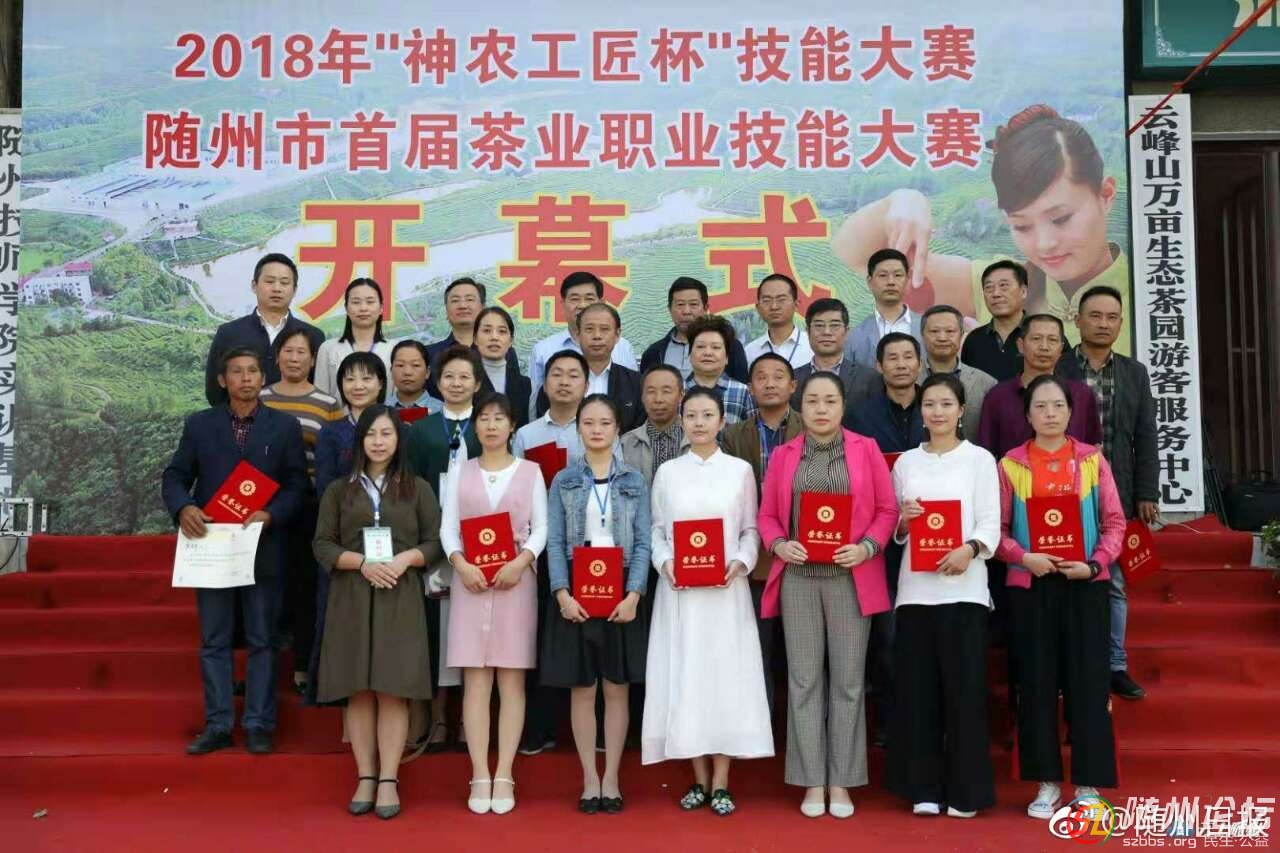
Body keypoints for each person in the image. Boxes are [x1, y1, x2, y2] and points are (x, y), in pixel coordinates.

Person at [832, 106, 1131, 354]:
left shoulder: (1143, 296)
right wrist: (903, 201)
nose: (1045, 244)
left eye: (1061, 218)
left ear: (1105, 195)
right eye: (1022, 225)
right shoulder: (999, 287)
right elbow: (856, 253)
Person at [757, 371, 897, 819]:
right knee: (803, 681)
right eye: (813, 401)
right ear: (801, 407)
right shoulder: (785, 455)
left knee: (849, 681)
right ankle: (811, 780)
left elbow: (887, 509)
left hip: (850, 577)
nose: (821, 409)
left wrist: (867, 547)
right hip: (799, 578)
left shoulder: (866, 449)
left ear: (842, 407)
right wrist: (779, 544)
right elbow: (766, 516)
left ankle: (842, 780)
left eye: (829, 401)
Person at [161, 347, 308, 755]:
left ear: (263, 378)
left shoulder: (284, 427)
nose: (246, 378)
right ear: (222, 380)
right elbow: (175, 477)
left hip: (263, 547)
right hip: (212, 550)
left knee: (263, 639)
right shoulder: (200, 425)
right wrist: (184, 508)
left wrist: (272, 514)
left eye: (253, 371)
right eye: (237, 372)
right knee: (214, 639)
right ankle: (218, 724)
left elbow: (298, 485)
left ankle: (259, 724)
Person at [995, 375, 1124, 819]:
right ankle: (1046, 784)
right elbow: (996, 529)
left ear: (1071, 412)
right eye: (1040, 406)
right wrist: (1022, 557)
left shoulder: (1091, 461)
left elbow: (1115, 523)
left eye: (1058, 406)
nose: (1049, 413)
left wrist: (1095, 564)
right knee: (1036, 684)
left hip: (1084, 584)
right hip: (1031, 588)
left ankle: (1088, 784)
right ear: (1027, 415)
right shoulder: (1011, 465)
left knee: (1088, 684)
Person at [645, 387, 773, 816]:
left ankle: (721, 781)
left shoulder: (739, 471)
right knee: (687, 678)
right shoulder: (668, 472)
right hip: (680, 593)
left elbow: (751, 530)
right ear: (682, 420)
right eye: (692, 415)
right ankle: (698, 778)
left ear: (722, 421)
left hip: (725, 592)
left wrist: (741, 562)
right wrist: (666, 564)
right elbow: (657, 531)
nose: (699, 422)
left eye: (707, 415)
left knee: (724, 680)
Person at [312, 406, 442, 820]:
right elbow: (322, 544)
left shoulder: (418, 488)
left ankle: (389, 778)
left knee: (392, 688)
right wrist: (362, 563)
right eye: (371, 434)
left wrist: (404, 560)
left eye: (387, 433)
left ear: (399, 440)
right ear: (360, 441)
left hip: (400, 594)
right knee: (359, 689)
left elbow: (436, 541)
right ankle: (365, 775)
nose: (379, 441)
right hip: (351, 595)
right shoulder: (340, 489)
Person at [885, 373, 999, 818]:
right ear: (921, 411)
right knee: (919, 694)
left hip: (964, 591)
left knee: (964, 694)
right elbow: (895, 528)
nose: (937, 412)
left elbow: (990, 522)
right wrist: (904, 521)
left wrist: (969, 549)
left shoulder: (980, 460)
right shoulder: (906, 463)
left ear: (961, 410)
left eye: (946, 404)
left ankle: (967, 792)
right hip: (916, 593)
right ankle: (924, 789)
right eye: (929, 404)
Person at [441, 392, 549, 816]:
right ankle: (479, 773)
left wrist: (521, 562)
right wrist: (460, 563)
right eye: (483, 418)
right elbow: (448, 528)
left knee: (511, 681)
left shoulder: (530, 472)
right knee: (476, 682)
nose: (490, 425)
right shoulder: (460, 471)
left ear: (512, 426)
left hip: (514, 583)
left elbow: (540, 528)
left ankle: (504, 772)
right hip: (470, 583)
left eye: (499, 418)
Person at [544, 395, 651, 814]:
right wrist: (562, 594)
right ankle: (590, 777)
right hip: (577, 589)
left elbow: (643, 542)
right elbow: (555, 542)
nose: (596, 430)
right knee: (584, 689)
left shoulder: (635, 480)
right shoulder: (564, 480)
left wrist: (634, 594)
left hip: (621, 588)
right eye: (588, 423)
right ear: (578, 429)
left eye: (605, 422)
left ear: (617, 429)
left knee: (616, 687)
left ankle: (613, 778)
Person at [1056, 285, 1159, 701]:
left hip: (1117, 491)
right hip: (1064, 492)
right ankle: (1068, 665)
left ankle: (1115, 664)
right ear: (1077, 320)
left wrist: (1147, 491)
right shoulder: (1059, 367)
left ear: (1120, 324)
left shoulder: (1134, 373)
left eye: (1111, 317)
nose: (1103, 324)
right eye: (1095, 316)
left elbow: (1145, 436)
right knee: (1064, 580)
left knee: (1114, 581)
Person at [404, 345, 484, 753]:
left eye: (464, 377)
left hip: (482, 543)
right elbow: (411, 487)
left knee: (473, 629)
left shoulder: (487, 425)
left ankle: (470, 721)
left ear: (478, 383)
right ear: (437, 382)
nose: (456, 383)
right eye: (449, 376)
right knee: (437, 629)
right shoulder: (421, 430)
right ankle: (437, 718)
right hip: (435, 542)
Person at [512, 349, 590, 757]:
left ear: (586, 384)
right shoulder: (526, 435)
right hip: (539, 549)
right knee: (540, 635)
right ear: (543, 383)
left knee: (587, 634)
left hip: (589, 550)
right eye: (556, 374)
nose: (564, 381)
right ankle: (540, 727)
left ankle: (589, 729)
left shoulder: (596, 427)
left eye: (573, 375)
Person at [259, 328, 343, 694]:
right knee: (264, 587)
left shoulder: (326, 403)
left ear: (313, 359)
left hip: (308, 506)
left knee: (305, 586)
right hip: (260, 509)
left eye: (302, 352)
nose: (294, 358)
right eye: (288, 351)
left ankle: (302, 665)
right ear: (277, 356)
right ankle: (262, 668)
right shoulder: (259, 398)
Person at [721, 353, 802, 714]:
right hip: (755, 557)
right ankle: (763, 727)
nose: (770, 383)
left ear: (793, 385)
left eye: (778, 376)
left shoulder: (812, 429)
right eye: (761, 377)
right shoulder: (732, 436)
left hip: (802, 552)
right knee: (758, 648)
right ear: (750, 388)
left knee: (803, 652)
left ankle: (802, 731)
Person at [309, 352, 389, 704]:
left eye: (367, 378)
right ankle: (342, 694)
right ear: (340, 385)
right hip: (344, 540)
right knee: (338, 618)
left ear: (381, 384)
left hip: (389, 540)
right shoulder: (331, 433)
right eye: (350, 378)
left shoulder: (399, 429)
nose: (358, 386)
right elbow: (325, 488)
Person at [976, 314, 1102, 461]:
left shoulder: (1081, 395)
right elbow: (986, 455)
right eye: (1036, 339)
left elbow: (1092, 450)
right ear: (1021, 345)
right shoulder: (998, 397)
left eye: (1052, 340)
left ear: (1061, 348)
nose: (1044, 347)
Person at [203, 253, 324, 406]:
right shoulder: (228, 333)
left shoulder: (313, 336)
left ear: (294, 290)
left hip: (296, 419)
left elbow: (318, 389)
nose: (277, 288)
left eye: (284, 283)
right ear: (254, 286)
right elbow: (214, 390)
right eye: (269, 281)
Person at [528, 271, 638, 403]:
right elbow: (535, 402)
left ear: (601, 302)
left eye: (589, 299)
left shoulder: (623, 347)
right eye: (575, 299)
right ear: (562, 303)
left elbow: (633, 392)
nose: (582, 305)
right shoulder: (543, 350)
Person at [534, 304, 643, 432]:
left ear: (617, 335)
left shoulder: (636, 383)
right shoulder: (558, 383)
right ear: (578, 334)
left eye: (604, 329)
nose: (597, 336)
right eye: (589, 329)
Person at [640, 276, 750, 382]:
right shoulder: (653, 353)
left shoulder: (731, 347)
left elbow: (741, 388)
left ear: (706, 308)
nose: (686, 311)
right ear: (669, 309)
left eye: (693, 304)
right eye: (680, 304)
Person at [920, 305, 997, 439]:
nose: (942, 338)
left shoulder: (986, 383)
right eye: (934, 331)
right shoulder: (908, 380)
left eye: (950, 331)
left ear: (961, 334)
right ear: (922, 335)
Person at [791, 297, 878, 411]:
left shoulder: (869, 378)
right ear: (808, 331)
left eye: (834, 326)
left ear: (846, 332)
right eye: (819, 326)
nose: (827, 332)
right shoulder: (793, 379)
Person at [315, 278, 395, 399]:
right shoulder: (328, 348)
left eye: (370, 302)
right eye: (356, 302)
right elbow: (321, 397)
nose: (363, 308)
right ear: (346, 308)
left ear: (381, 308)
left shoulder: (394, 349)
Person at [843, 249, 924, 368]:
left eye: (898, 275)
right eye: (883, 275)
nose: (891, 282)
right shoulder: (854, 337)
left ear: (907, 281)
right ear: (869, 282)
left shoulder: (925, 328)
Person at [621, 365, 689, 487]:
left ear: (681, 396)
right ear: (642, 397)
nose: (658, 399)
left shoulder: (694, 441)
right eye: (651, 391)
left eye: (666, 391)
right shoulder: (626, 443)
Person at [961, 260, 1029, 382]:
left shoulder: (1044, 334)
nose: (996, 294)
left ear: (1023, 291)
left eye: (1004, 286)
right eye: (989, 288)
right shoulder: (973, 340)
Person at [684, 315, 757, 426]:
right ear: (689, 354)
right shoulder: (677, 391)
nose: (708, 353)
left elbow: (753, 432)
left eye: (716, 347)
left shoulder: (744, 393)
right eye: (700, 347)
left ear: (727, 357)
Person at [474, 306, 532, 428]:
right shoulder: (465, 382)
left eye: (502, 331)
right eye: (487, 331)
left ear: (511, 341)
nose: (494, 337)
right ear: (475, 339)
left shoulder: (526, 386)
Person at [743, 273, 814, 369]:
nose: (774, 306)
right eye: (767, 300)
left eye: (781, 299)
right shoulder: (750, 351)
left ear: (796, 305)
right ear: (758, 308)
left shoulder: (812, 346)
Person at [388, 340, 444, 417]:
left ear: (427, 372)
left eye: (415, 365)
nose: (407, 372)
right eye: (400, 365)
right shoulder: (380, 410)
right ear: (391, 371)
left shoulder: (442, 411)